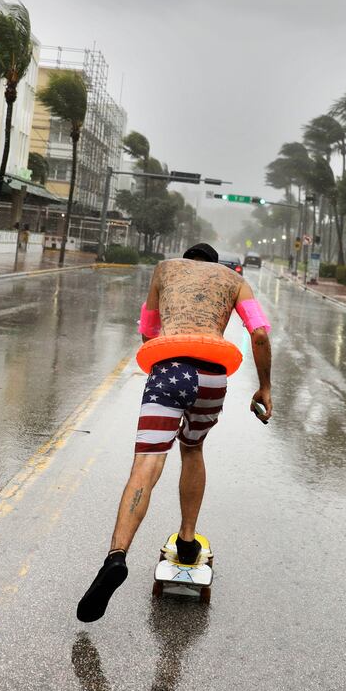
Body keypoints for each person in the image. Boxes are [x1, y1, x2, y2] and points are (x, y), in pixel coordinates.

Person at [77, 242, 272, 623]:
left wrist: (164, 362)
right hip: (212, 378)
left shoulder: (165, 270)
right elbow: (260, 334)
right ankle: (186, 539)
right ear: (214, 264)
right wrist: (264, 387)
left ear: (187, 261)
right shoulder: (234, 281)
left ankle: (116, 557)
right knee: (193, 449)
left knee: (146, 465)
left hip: (169, 371)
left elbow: (148, 331)